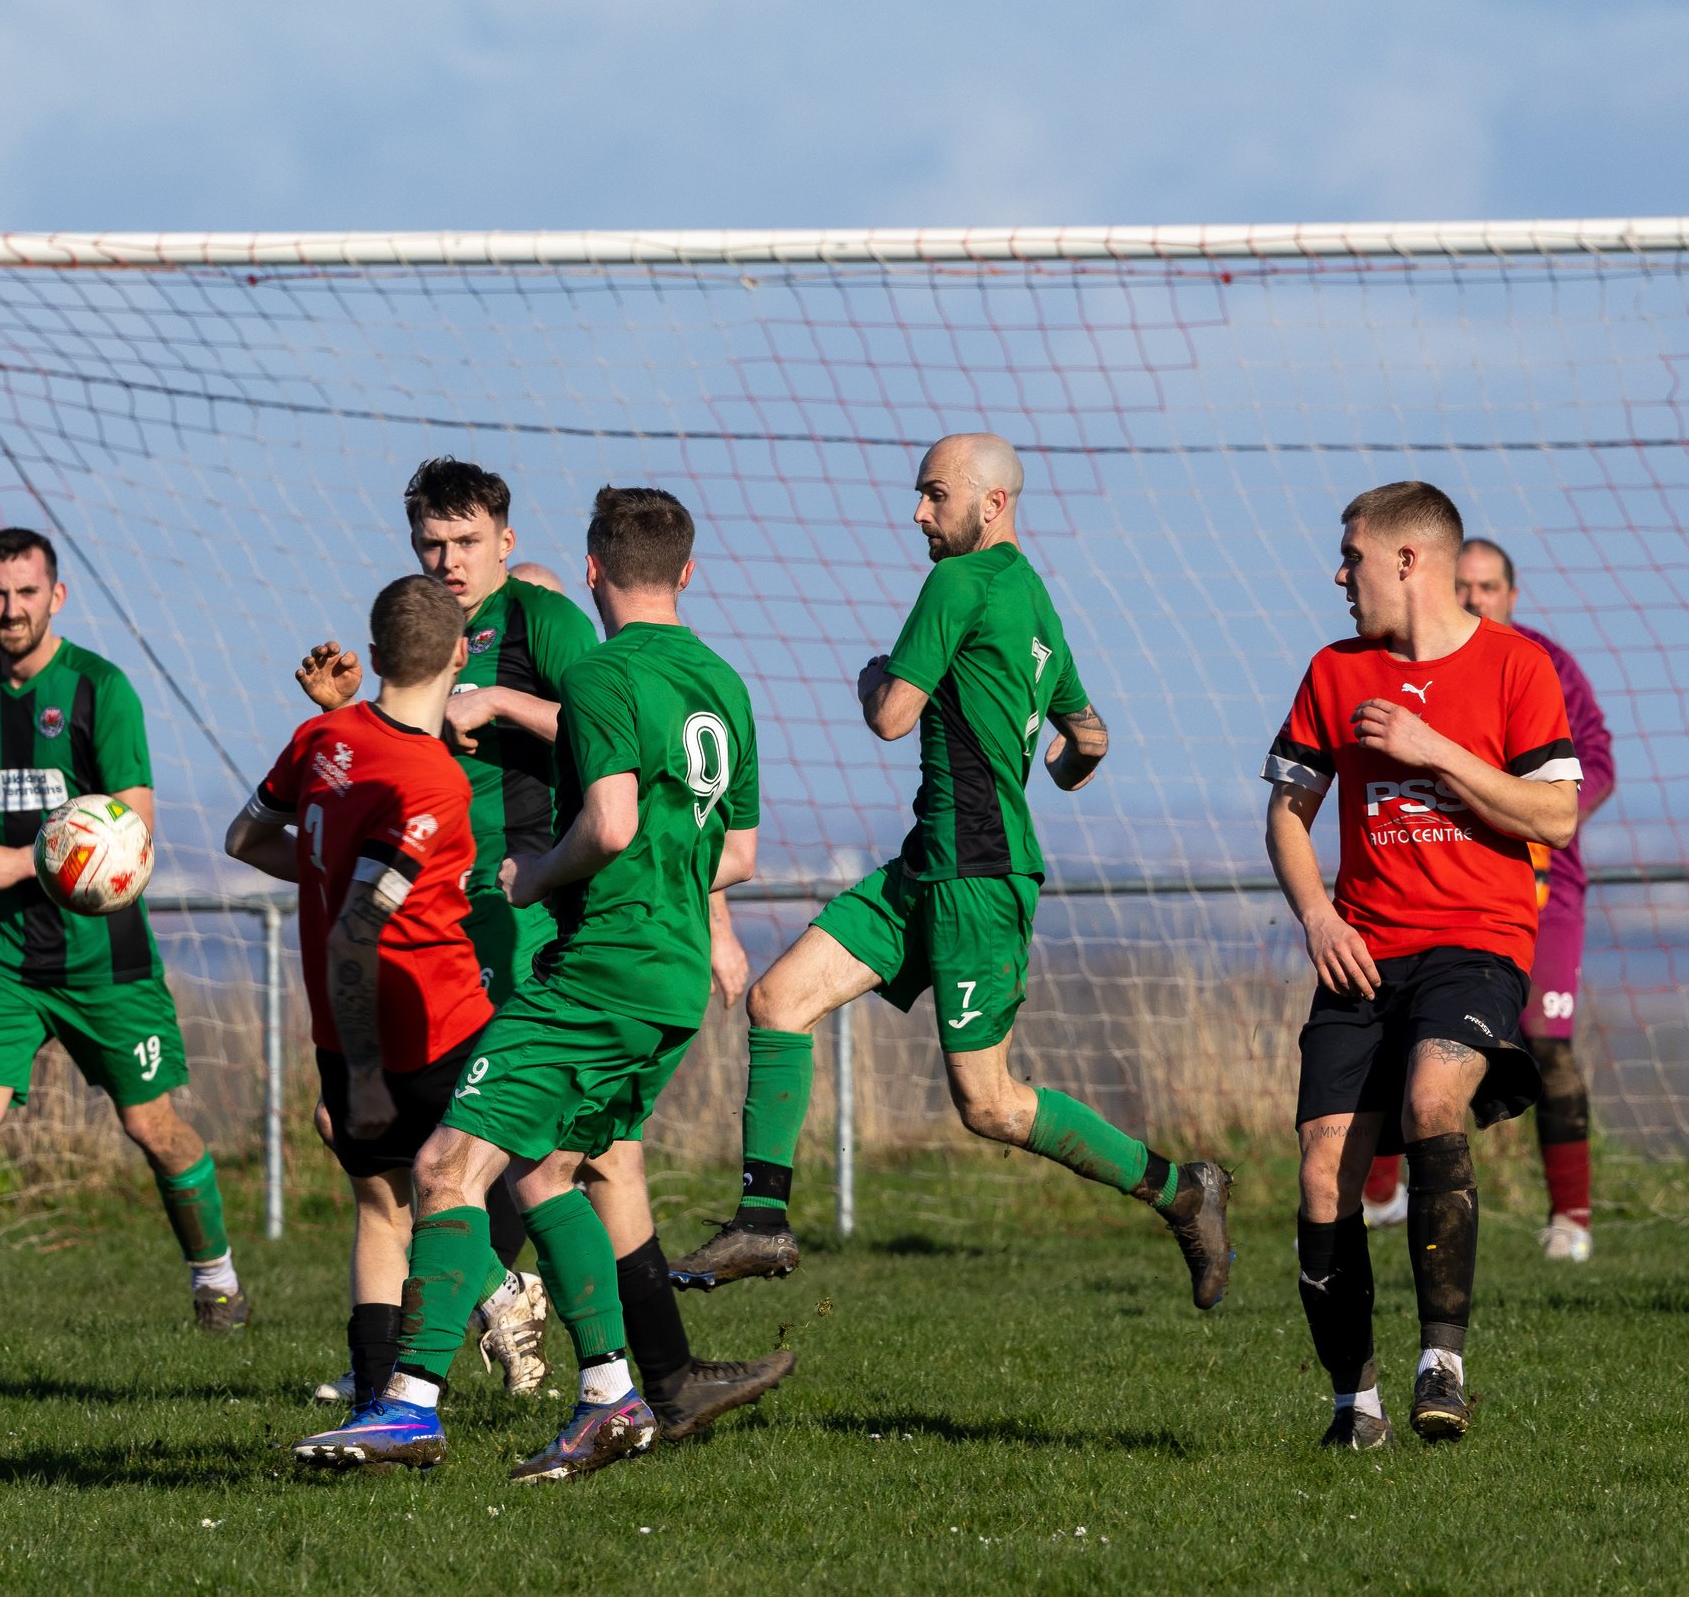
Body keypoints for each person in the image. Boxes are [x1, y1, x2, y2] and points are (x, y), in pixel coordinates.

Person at [670, 436, 1234, 1311]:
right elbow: (1090, 737)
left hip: (978, 875)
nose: (919, 514)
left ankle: (1182, 1189)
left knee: (992, 1104)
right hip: (926, 865)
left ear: (992, 503)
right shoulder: (1034, 598)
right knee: (778, 1001)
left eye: (935, 495)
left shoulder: (958, 583)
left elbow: (892, 716)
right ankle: (762, 1218)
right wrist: (1050, 765)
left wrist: (871, 681)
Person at [295, 486, 789, 1481]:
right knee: (553, 1169)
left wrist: (537, 871)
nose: (447, 557)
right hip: (666, 977)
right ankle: (616, 1395)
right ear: (686, 572)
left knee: (442, 1167)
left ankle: (406, 1406)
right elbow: (734, 852)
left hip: (592, 970)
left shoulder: (600, 671)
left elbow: (606, 823)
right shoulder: (722, 681)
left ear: (589, 571)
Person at [0, 528, 248, 1344]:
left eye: (26, 593)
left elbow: (133, 826)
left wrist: (19, 862)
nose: (11, 610)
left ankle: (216, 1282)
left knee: (154, 1129)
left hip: (104, 955)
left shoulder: (99, 691)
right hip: (2, 955)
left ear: (56, 597)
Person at [1264, 482, 1579, 1448]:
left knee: (1435, 1102)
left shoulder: (1519, 669)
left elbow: (1555, 816)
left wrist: (1431, 748)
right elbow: (1287, 813)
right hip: (1362, 949)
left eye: (1351, 554)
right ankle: (1352, 1404)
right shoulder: (1331, 671)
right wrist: (1318, 915)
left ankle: (1441, 1358)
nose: (1338, 573)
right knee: (1324, 1172)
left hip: (1476, 942)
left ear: (1407, 561)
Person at [226, 575, 548, 1410]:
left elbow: (246, 837)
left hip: (337, 1021)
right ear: (455, 654)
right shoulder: (433, 782)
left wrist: (324, 877)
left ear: (371, 659)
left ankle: (379, 1403)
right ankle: (523, 1328)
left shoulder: (321, 738)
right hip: (430, 1016)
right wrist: (369, 1073)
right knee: (486, 1184)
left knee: (381, 1207)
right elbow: (357, 935)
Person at [1359, 537, 1615, 1262]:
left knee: (1550, 1043)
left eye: (1490, 587)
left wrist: (1539, 821)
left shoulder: (1544, 663)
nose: (1477, 599)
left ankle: (1572, 1219)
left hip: (1545, 886)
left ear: (1512, 593)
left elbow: (1594, 761)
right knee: (1398, 1030)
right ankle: (1379, 1195)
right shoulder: (1405, 663)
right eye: (1465, 586)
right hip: (1439, 883)